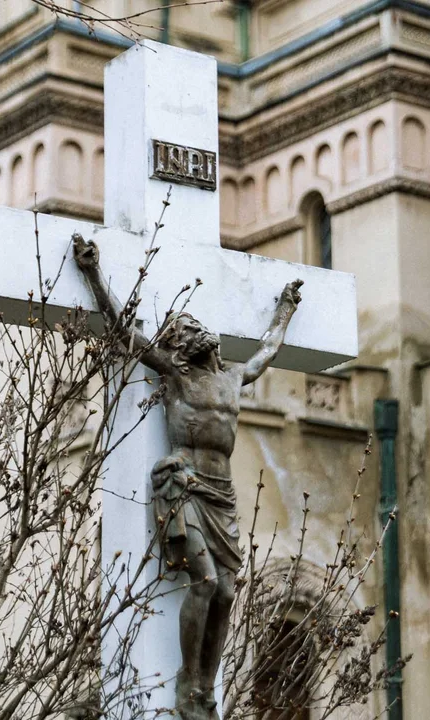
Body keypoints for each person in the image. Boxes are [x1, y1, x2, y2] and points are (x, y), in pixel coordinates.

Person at [73, 232, 302, 719]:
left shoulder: (233, 377)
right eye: (182, 333)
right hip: (184, 485)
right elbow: (124, 333)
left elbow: (268, 349)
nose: (189, 335)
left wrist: (284, 310)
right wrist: (93, 274)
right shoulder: (176, 377)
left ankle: (205, 688)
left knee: (225, 589)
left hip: (222, 495)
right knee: (202, 582)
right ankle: (186, 682)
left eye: (191, 330)